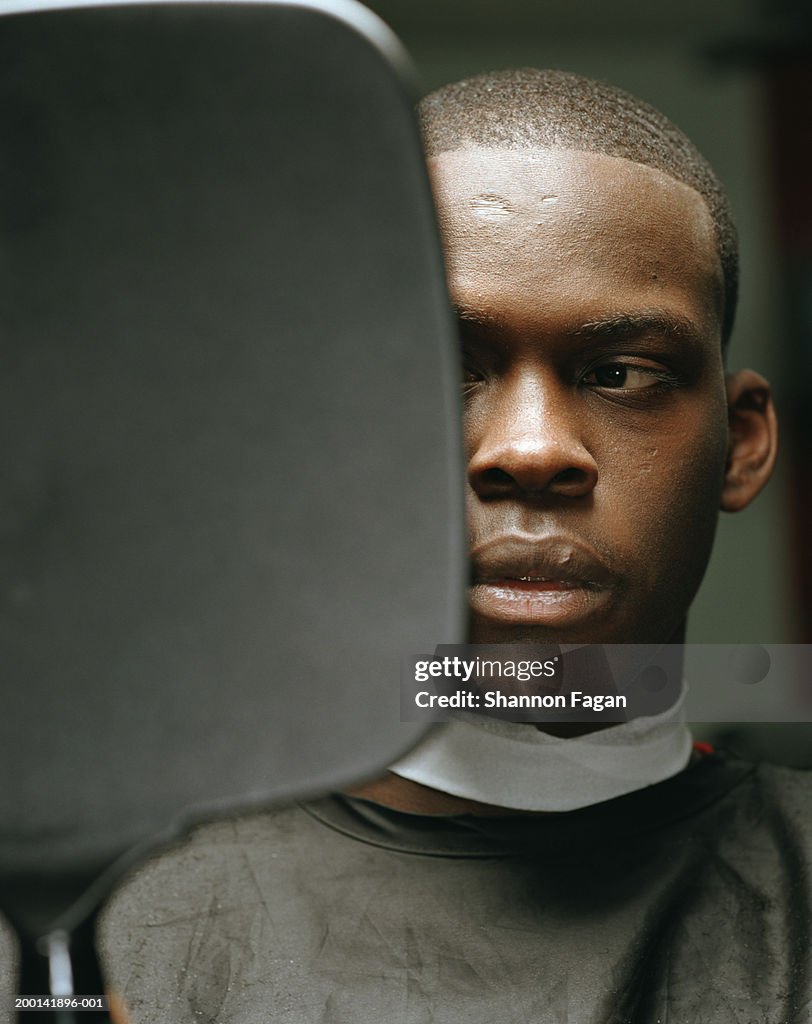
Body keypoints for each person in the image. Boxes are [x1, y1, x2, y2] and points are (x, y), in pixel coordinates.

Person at [92, 69, 810, 1022]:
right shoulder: (85, 928)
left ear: (743, 442)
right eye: (443, 366)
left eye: (620, 371)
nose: (531, 450)